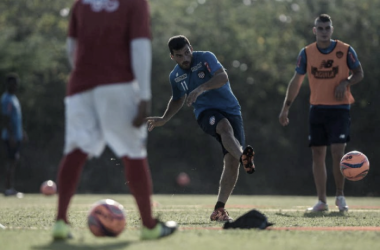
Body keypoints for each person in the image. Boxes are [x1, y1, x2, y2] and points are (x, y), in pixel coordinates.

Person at [52, 0, 177, 240]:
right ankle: (149, 226)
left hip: (79, 86)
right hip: (118, 84)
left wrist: (86, 76)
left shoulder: (81, 4)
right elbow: (140, 47)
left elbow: (71, 48)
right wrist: (144, 96)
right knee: (133, 152)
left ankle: (60, 222)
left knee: (75, 151)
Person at [146, 35, 255, 222]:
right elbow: (178, 98)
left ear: (191, 48)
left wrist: (200, 89)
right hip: (205, 113)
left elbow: (222, 77)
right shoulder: (175, 76)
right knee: (223, 127)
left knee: (231, 163)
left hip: (231, 109)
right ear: (172, 57)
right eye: (179, 55)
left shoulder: (206, 58)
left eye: (187, 52)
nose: (185, 58)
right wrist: (164, 119)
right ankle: (243, 156)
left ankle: (219, 209)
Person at [279, 14, 364, 212]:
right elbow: (296, 81)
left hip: (340, 109)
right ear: (314, 30)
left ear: (331, 30)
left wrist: (347, 82)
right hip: (317, 108)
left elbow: (359, 72)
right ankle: (322, 201)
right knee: (317, 154)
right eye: (320, 28)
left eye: (327, 28)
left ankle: (340, 195)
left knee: (337, 153)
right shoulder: (307, 53)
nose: (324, 31)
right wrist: (286, 107)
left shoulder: (345, 50)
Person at [1, 73, 26, 197]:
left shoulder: (14, 98)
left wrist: (21, 132)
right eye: (14, 83)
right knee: (11, 161)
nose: (16, 86)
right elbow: (6, 118)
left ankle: (10, 188)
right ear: (9, 84)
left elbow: (17, 118)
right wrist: (11, 136)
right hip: (10, 137)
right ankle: (8, 189)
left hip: (16, 136)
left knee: (14, 161)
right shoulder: (6, 99)